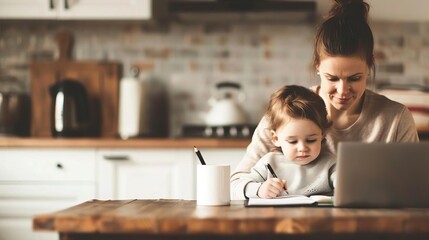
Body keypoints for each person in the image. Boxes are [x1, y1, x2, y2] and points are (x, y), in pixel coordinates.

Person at [231, 0, 419, 200]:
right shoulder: (287, 112)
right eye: (332, 78)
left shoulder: (396, 120)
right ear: (317, 66)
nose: (342, 90)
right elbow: (237, 182)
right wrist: (260, 189)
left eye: (354, 78)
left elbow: (416, 188)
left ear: (369, 65)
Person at [232, 85, 336, 199]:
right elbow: (234, 187)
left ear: (322, 135)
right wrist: (259, 189)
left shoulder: (331, 164)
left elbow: (348, 185)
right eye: (292, 141)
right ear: (275, 138)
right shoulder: (269, 162)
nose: (302, 148)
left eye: (311, 140)